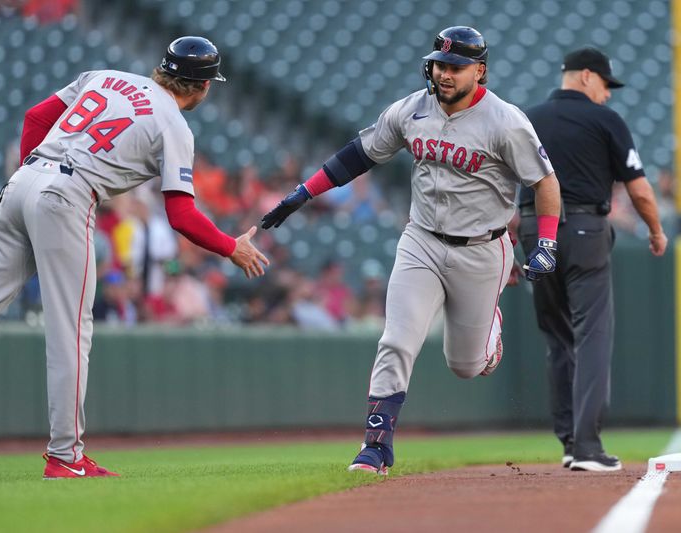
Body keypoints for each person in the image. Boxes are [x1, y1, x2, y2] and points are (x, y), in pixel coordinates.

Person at [0, 36, 269, 479]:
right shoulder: (173, 123)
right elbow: (182, 214)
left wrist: (28, 178)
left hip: (22, 182)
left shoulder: (104, 77)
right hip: (68, 196)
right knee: (72, 331)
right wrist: (232, 246)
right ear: (203, 87)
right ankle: (65, 455)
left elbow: (36, 117)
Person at [262, 26, 561, 475]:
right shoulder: (411, 109)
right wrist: (305, 192)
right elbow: (359, 155)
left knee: (465, 365)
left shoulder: (506, 121)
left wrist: (548, 243)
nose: (444, 74)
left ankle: (490, 331)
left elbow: (545, 182)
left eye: (456, 67)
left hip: (483, 249)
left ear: (479, 71)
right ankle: (376, 446)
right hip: (420, 239)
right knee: (397, 339)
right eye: (440, 64)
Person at [518, 46, 667, 472]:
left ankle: (569, 441)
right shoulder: (605, 120)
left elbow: (503, 182)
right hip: (585, 230)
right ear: (586, 76)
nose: (608, 94)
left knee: (557, 337)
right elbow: (639, 189)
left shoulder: (527, 118)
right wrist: (656, 232)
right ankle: (586, 446)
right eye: (605, 84)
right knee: (592, 335)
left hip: (535, 231)